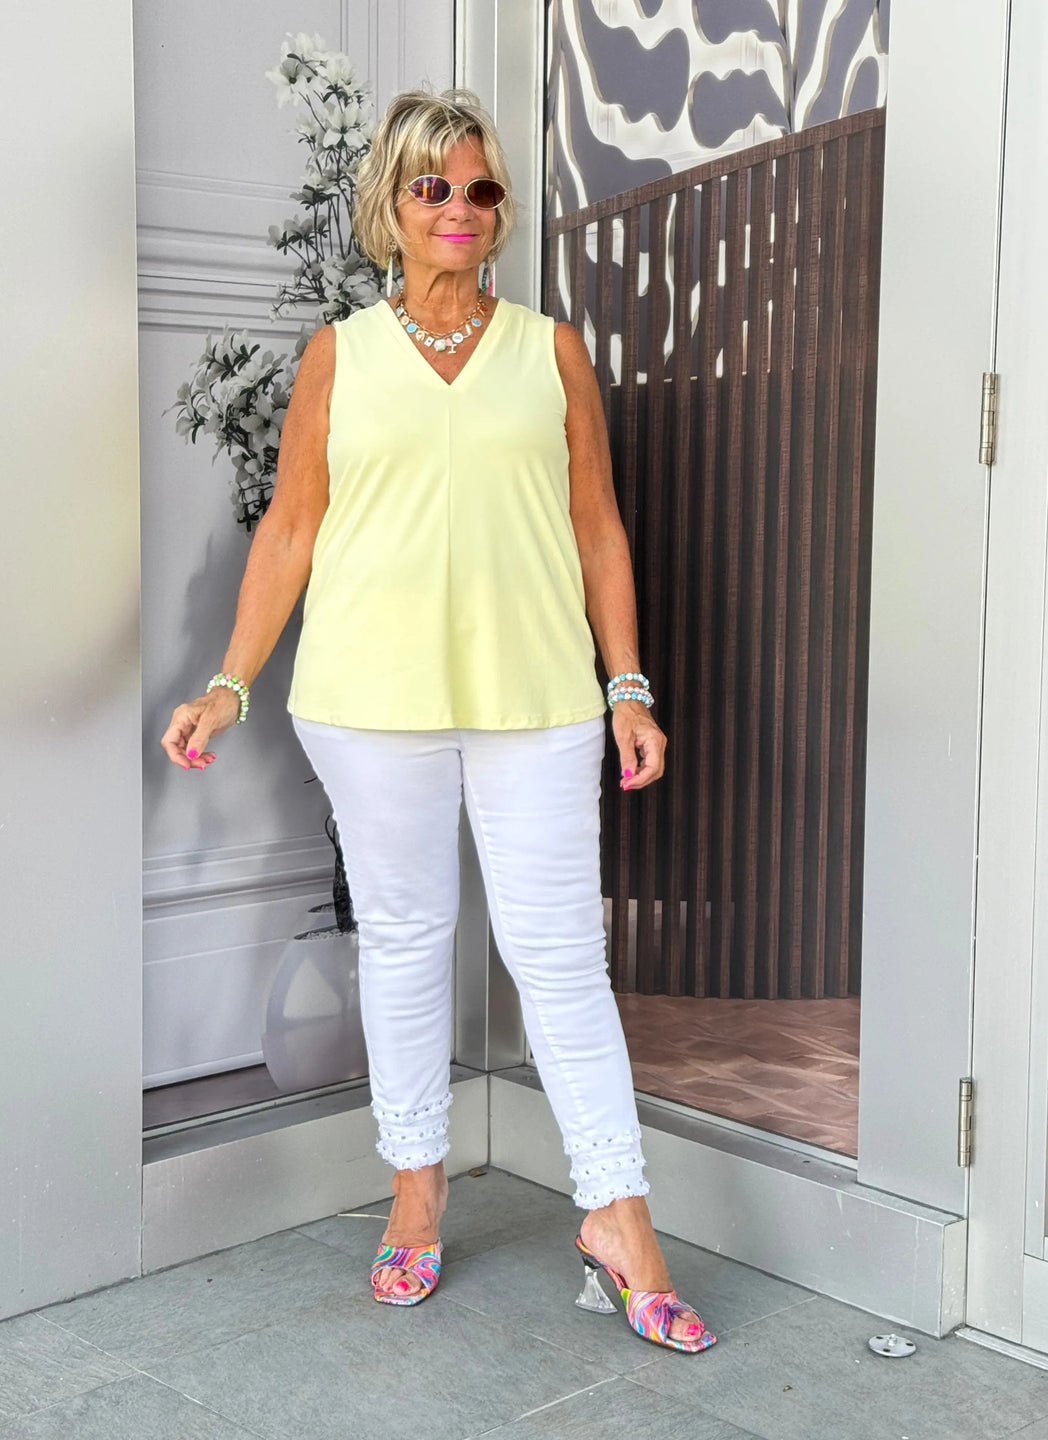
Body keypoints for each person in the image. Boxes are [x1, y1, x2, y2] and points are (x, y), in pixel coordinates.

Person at [161, 85, 715, 1355]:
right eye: (432, 187)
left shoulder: (551, 351)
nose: (459, 208)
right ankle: (416, 1190)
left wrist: (627, 685)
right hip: (370, 701)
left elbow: (596, 527)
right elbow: (292, 527)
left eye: (479, 188)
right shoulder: (341, 357)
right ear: (392, 209)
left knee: (561, 957)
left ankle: (619, 1217)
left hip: (539, 697)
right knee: (407, 941)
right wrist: (229, 682)